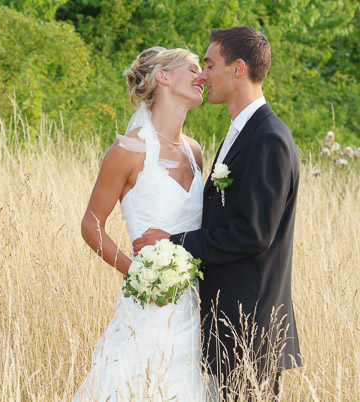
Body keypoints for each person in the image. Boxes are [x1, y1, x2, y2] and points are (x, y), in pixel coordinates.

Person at [133, 26, 302, 399]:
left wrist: (173, 242)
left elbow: (254, 233)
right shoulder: (241, 132)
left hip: (251, 328)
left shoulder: (269, 138)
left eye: (209, 64)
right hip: (226, 325)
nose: (203, 75)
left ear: (238, 68)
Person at [74, 46, 206, 401]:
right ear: (163, 77)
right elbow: (91, 224)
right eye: (192, 69)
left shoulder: (195, 152)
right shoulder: (129, 150)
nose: (203, 77)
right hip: (147, 304)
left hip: (193, 307)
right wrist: (136, 273)